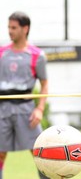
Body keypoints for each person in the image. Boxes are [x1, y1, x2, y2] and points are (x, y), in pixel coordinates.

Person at [0, 11, 49, 179]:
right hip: (2, 110)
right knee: (0, 154)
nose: (10, 31)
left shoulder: (37, 55)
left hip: (26, 109)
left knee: (40, 151)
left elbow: (44, 84)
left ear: (25, 28)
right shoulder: (2, 52)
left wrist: (40, 109)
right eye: (8, 27)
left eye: (14, 27)